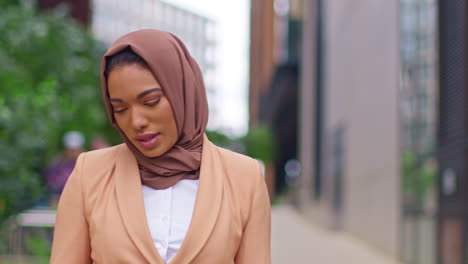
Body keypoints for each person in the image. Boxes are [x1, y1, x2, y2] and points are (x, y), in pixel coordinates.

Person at [50, 29, 271, 264]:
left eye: (151, 101)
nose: (136, 122)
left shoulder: (244, 178)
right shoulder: (89, 174)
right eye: (120, 109)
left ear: (182, 92)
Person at [44, 130, 84, 207]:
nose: (72, 153)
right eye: (70, 150)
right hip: (60, 199)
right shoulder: (57, 165)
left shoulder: (87, 164)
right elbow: (52, 185)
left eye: (75, 150)